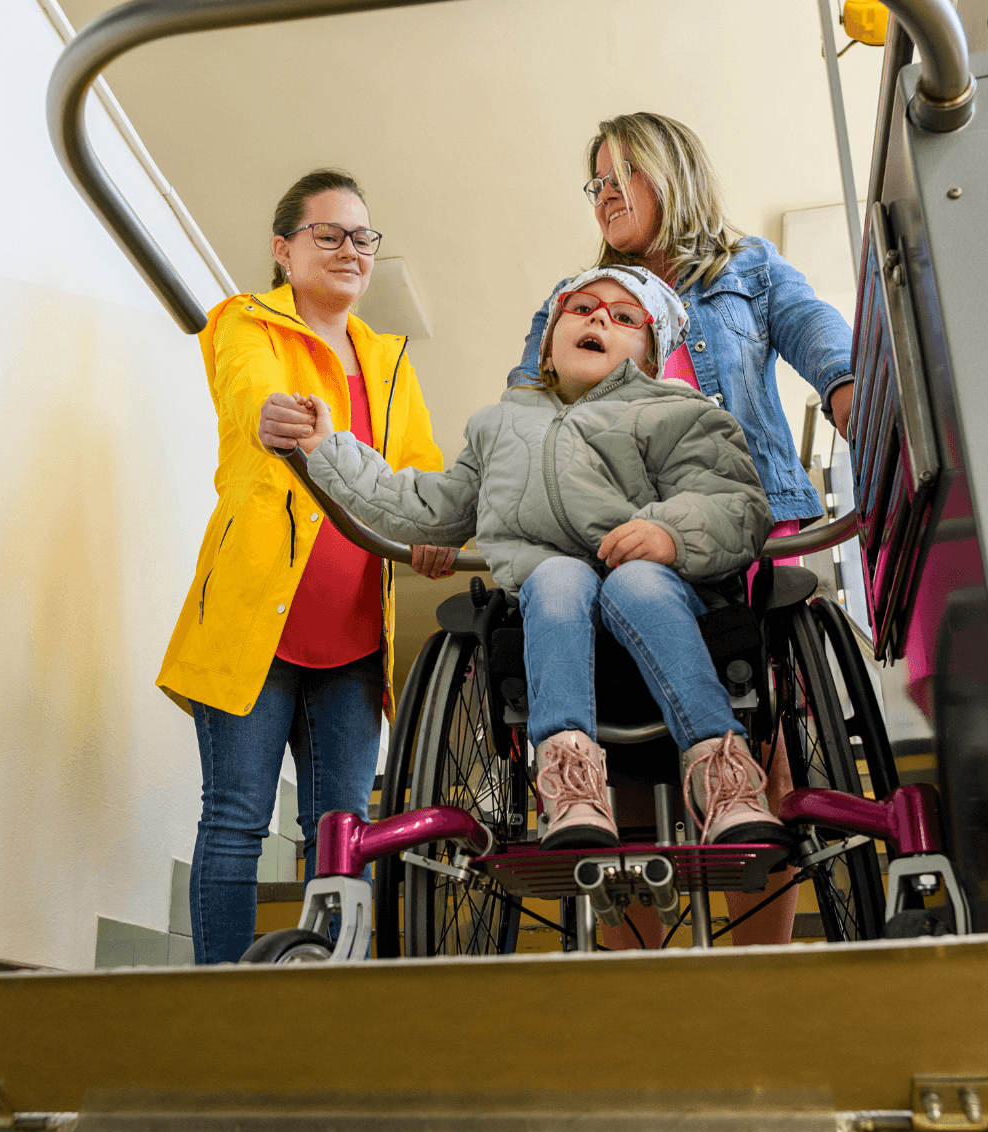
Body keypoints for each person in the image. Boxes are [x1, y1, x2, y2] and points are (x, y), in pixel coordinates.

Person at [269, 265, 794, 878]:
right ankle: (568, 779)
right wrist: (329, 447)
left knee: (634, 581)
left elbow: (734, 503)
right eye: (584, 308)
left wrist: (669, 533)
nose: (600, 318)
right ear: (549, 337)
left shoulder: (677, 412)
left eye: (626, 318)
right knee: (555, 576)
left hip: (663, 598)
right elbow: (425, 507)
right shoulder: (500, 425)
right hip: (553, 613)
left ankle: (723, 774)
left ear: (650, 356)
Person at [510, 112, 857, 947]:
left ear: (672, 173)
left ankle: (757, 979)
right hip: (610, 545)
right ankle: (643, 991)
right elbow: (523, 405)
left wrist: (854, 397)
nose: (604, 195)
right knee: (625, 766)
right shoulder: (580, 301)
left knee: (770, 759)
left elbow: (821, 335)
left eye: (621, 174)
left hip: (745, 532)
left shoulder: (750, 270)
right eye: (594, 183)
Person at [157, 169, 452, 965]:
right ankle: (223, 1000)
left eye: (363, 237)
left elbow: (420, 476)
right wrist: (267, 417)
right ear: (285, 249)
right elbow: (250, 394)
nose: (350, 250)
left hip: (355, 640)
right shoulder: (243, 325)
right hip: (258, 626)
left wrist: (433, 533)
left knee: (343, 835)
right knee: (236, 820)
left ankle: (328, 1004)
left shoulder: (389, 362)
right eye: (330, 234)